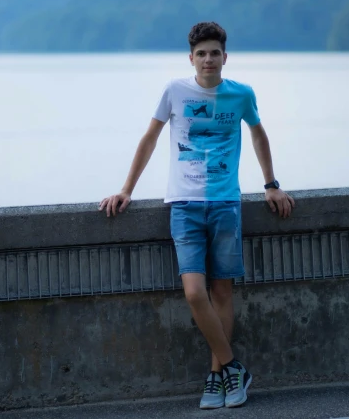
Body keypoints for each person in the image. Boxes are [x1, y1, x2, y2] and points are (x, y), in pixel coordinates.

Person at [99, 21, 295, 409]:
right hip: (184, 206)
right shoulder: (174, 91)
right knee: (194, 293)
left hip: (225, 204)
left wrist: (271, 183)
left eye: (214, 53)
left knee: (221, 292)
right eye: (201, 53)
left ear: (225, 57)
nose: (208, 59)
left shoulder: (241, 94)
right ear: (191, 58)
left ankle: (216, 380)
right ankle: (234, 366)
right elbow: (151, 138)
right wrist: (126, 190)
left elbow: (258, 134)